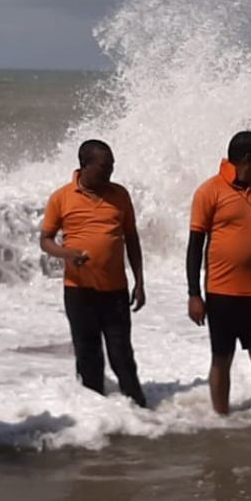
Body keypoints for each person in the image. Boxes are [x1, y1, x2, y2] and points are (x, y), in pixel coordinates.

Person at [186, 130, 251, 416]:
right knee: (222, 358)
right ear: (247, 158)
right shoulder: (210, 191)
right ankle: (221, 420)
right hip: (222, 293)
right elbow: (195, 246)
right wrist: (194, 294)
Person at [40, 139, 147, 407]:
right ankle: (94, 414)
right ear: (84, 166)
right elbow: (46, 240)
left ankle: (142, 414)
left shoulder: (120, 195)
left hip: (115, 290)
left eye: (112, 166)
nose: (109, 173)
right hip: (79, 291)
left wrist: (140, 281)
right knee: (88, 356)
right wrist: (68, 254)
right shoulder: (61, 197)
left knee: (122, 355)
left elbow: (131, 239)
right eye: (103, 167)